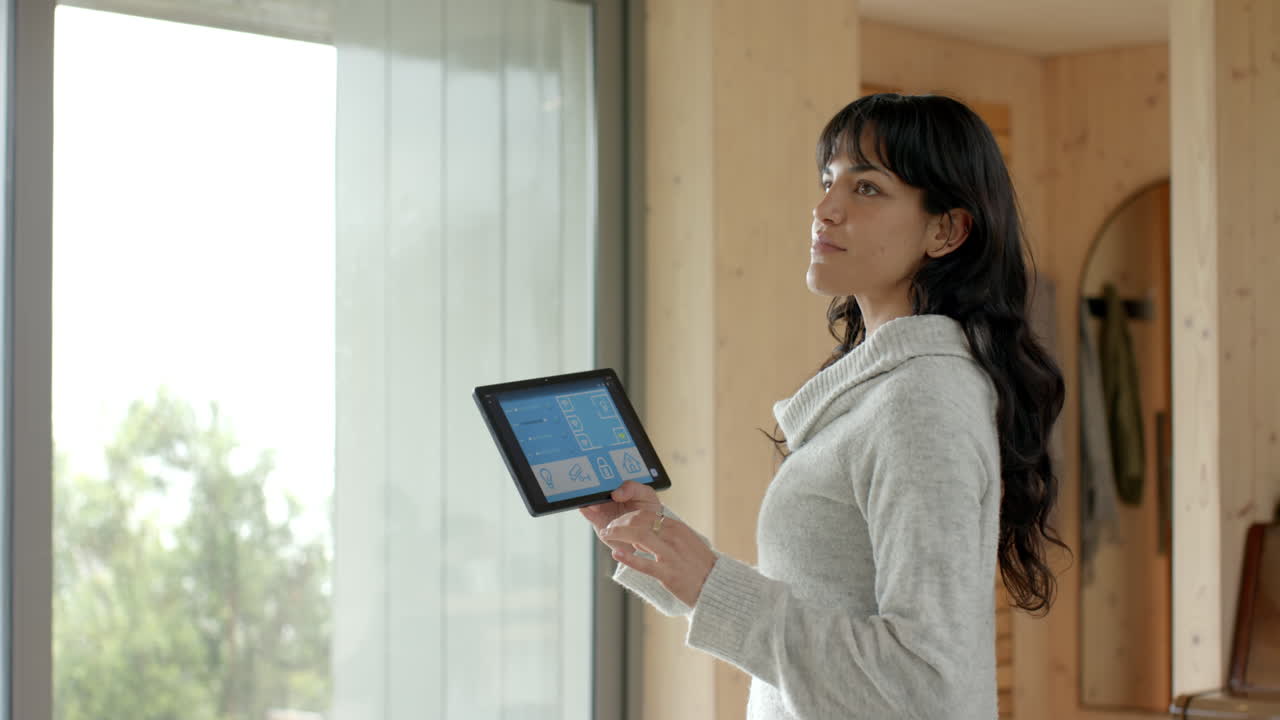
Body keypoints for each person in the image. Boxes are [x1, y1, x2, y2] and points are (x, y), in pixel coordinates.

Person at [580, 93, 1066, 719]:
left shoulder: (921, 405)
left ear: (945, 229)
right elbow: (825, 597)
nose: (825, 209)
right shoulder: (883, 392)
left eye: (867, 189)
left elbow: (925, 685)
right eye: (828, 179)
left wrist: (710, 583)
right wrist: (661, 544)